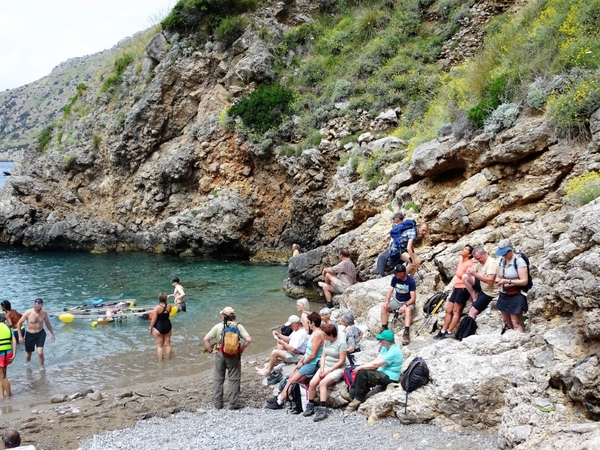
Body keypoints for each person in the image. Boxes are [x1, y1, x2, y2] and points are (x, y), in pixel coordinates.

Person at [265, 312, 324, 410]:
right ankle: (280, 397)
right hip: (306, 361)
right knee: (291, 377)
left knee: (293, 380)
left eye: (309, 322)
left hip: (312, 363)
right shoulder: (314, 333)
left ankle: (279, 401)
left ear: (313, 323)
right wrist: (300, 362)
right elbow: (307, 352)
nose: (307, 324)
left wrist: (303, 363)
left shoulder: (318, 335)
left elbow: (313, 354)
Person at [203, 306, 252, 409]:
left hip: (220, 353)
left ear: (223, 316)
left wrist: (211, 351)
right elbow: (248, 340)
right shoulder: (238, 326)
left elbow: (206, 340)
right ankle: (233, 404)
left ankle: (218, 403)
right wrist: (242, 349)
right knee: (234, 379)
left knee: (218, 379)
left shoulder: (217, 327)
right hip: (234, 355)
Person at [340, 329, 403, 410]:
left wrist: (361, 367)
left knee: (362, 372)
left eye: (381, 340)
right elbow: (376, 360)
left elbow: (375, 365)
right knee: (362, 371)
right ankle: (352, 394)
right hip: (382, 372)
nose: (380, 341)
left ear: (386, 341)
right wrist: (364, 366)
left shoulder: (394, 352)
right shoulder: (386, 347)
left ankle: (358, 398)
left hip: (390, 378)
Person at [304, 323, 347, 421]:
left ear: (331, 335)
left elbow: (342, 361)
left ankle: (322, 408)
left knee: (323, 383)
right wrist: (322, 368)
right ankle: (310, 404)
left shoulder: (341, 343)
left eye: (325, 335)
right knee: (312, 383)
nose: (323, 336)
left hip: (337, 368)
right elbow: (323, 356)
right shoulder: (327, 341)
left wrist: (329, 370)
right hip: (325, 366)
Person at [433, 245, 474, 340]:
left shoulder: (469, 263)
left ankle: (449, 331)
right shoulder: (461, 261)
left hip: (463, 289)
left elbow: (469, 278)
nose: (463, 249)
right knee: (448, 310)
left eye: (466, 249)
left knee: (456, 311)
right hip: (456, 287)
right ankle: (443, 330)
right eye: (464, 248)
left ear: (469, 254)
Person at [376, 212, 428, 278]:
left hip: (401, 248)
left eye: (425, 231)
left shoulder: (413, 231)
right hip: (398, 249)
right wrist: (413, 259)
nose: (424, 232)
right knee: (413, 261)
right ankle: (401, 277)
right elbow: (409, 247)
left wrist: (413, 255)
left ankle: (409, 279)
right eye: (423, 230)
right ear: (418, 227)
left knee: (418, 260)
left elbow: (410, 246)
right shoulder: (413, 231)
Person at [495, 239, 529, 333]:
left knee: (516, 323)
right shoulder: (502, 261)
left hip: (516, 294)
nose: (503, 255)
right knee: (506, 321)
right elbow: (498, 275)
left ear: (510, 250)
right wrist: (498, 280)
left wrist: (508, 281)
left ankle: (520, 341)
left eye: (505, 253)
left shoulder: (519, 261)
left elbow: (524, 281)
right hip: (504, 293)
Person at [380, 264, 416, 345]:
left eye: (396, 273)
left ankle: (406, 333)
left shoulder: (410, 281)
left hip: (407, 301)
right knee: (383, 308)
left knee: (407, 310)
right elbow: (390, 290)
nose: (394, 274)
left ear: (402, 273)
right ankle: (384, 330)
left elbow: (413, 298)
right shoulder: (395, 279)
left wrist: (405, 305)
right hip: (397, 300)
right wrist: (386, 301)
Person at [16, 299, 55, 367]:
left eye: (40, 307)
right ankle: (27, 366)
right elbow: (19, 323)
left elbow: (47, 323)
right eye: (37, 307)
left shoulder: (44, 313)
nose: (38, 309)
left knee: (40, 352)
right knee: (29, 353)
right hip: (30, 334)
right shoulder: (28, 312)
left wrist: (52, 333)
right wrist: (20, 336)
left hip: (40, 333)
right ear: (34, 305)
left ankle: (41, 367)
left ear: (42, 305)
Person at [463, 247, 499, 319]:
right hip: (483, 286)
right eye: (476, 259)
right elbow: (473, 271)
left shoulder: (490, 264)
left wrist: (475, 274)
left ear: (484, 254)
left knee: (472, 312)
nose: (478, 261)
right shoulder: (481, 262)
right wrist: (469, 272)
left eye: (479, 258)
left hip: (489, 292)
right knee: (465, 277)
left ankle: (469, 326)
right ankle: (475, 298)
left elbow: (490, 281)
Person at [149, 292, 173, 361]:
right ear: (166, 298)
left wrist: (150, 328)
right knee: (167, 345)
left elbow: (153, 319)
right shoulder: (169, 306)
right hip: (168, 325)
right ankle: (169, 360)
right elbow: (169, 312)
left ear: (159, 299)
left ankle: (161, 362)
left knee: (159, 346)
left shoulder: (156, 308)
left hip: (158, 326)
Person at [0, 321, 16, 399]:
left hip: (1, 354)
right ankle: (1, 396)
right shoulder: (7, 327)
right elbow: (14, 341)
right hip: (8, 353)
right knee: (3, 375)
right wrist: (14, 353)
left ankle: (10, 396)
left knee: (2, 377)